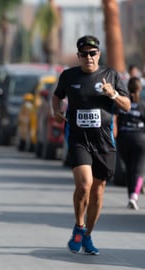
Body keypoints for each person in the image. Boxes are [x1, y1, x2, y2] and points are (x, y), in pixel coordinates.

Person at [52, 35, 131, 255]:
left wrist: (112, 93)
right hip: (79, 140)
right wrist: (56, 112)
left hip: (104, 142)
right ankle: (79, 225)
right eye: (84, 54)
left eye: (92, 53)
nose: (89, 57)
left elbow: (126, 105)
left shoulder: (111, 75)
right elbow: (56, 97)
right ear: (78, 56)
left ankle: (87, 235)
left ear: (99, 54)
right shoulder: (69, 76)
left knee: (98, 191)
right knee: (84, 184)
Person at [116, 77, 145, 210]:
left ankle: (130, 197)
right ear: (140, 89)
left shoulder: (123, 104)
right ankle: (134, 196)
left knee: (129, 169)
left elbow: (117, 121)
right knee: (138, 170)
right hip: (140, 139)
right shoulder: (143, 106)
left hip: (124, 139)